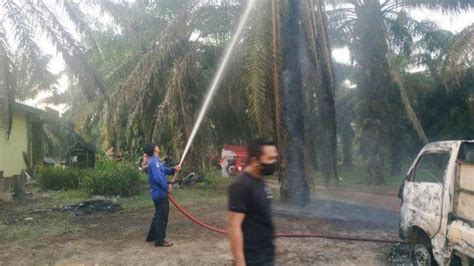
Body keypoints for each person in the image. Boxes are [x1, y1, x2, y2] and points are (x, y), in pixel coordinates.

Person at [227, 139, 279, 266]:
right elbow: (234, 226)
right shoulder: (241, 185)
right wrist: (240, 262)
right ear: (255, 160)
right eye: (270, 158)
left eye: (275, 158)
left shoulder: (259, 179)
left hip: (265, 253)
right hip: (253, 258)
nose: (274, 162)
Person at [144, 143, 180, 247]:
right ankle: (159, 240)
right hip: (159, 194)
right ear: (154, 150)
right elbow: (158, 178)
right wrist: (167, 187)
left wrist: (173, 169)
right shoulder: (154, 162)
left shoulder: (156, 161)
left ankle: (151, 236)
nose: (158, 147)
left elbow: (164, 170)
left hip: (159, 194)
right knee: (162, 216)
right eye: (156, 146)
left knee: (158, 215)